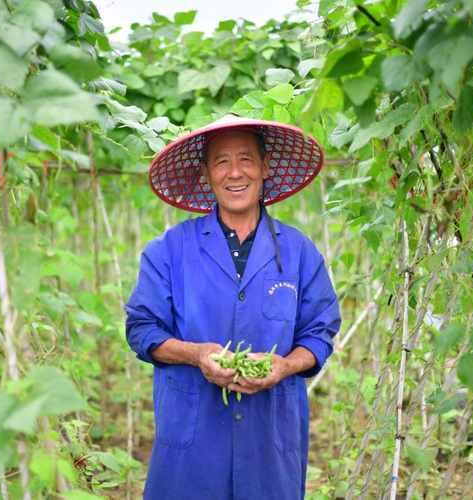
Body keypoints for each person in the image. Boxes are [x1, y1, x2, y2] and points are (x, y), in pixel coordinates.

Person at [125, 115, 342, 500]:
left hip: (269, 440)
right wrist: (196, 354)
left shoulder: (298, 252)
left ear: (265, 168)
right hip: (192, 442)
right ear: (206, 174)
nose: (235, 172)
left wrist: (285, 365)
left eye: (246, 158)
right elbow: (142, 329)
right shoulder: (168, 250)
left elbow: (320, 331)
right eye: (221, 161)